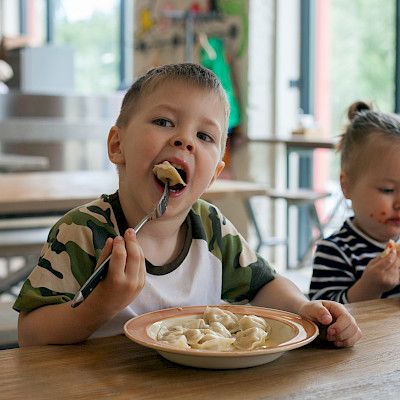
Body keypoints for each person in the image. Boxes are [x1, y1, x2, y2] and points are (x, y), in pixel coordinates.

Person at [14, 63, 361, 347]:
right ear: (117, 145)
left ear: (213, 176)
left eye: (205, 136)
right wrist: (98, 306)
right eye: (164, 122)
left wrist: (304, 307)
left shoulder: (210, 228)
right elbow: (31, 334)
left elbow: (265, 285)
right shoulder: (83, 232)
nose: (184, 140)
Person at [309, 101, 400, 303]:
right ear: (346, 186)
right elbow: (324, 319)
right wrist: (370, 286)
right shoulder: (335, 252)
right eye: (388, 190)